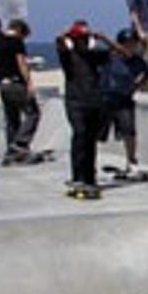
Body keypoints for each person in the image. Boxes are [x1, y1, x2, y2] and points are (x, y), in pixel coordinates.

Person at [56, 20, 109, 199]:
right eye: (81, 39)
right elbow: (58, 41)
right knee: (80, 134)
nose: (84, 42)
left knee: (90, 140)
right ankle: (77, 176)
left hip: (94, 102)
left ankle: (89, 177)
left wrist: (104, 38)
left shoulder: (95, 56)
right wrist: (69, 34)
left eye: (86, 39)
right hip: (75, 103)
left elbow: (122, 54)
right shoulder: (68, 57)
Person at [98, 26, 148, 176]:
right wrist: (103, 38)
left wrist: (142, 85)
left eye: (133, 44)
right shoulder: (109, 57)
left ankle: (132, 161)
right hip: (105, 99)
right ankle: (89, 162)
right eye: (127, 43)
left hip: (124, 100)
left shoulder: (138, 62)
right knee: (98, 133)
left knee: (129, 131)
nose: (131, 47)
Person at [0, 17, 41, 164]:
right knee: (33, 113)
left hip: (2, 85)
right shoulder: (16, 41)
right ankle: (20, 144)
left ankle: (11, 153)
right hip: (16, 83)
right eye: (24, 36)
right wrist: (29, 83)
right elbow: (21, 63)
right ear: (19, 31)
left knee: (11, 118)